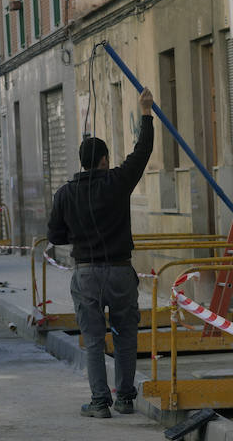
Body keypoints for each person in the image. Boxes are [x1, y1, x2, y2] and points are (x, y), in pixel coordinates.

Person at [47, 87, 154, 418]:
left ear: (82, 161)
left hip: (86, 273)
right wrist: (146, 112)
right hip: (121, 271)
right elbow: (142, 152)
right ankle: (124, 398)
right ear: (105, 160)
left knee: (93, 340)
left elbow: (55, 235)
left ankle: (98, 402)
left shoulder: (65, 193)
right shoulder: (117, 181)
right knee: (125, 337)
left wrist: (79, 234)